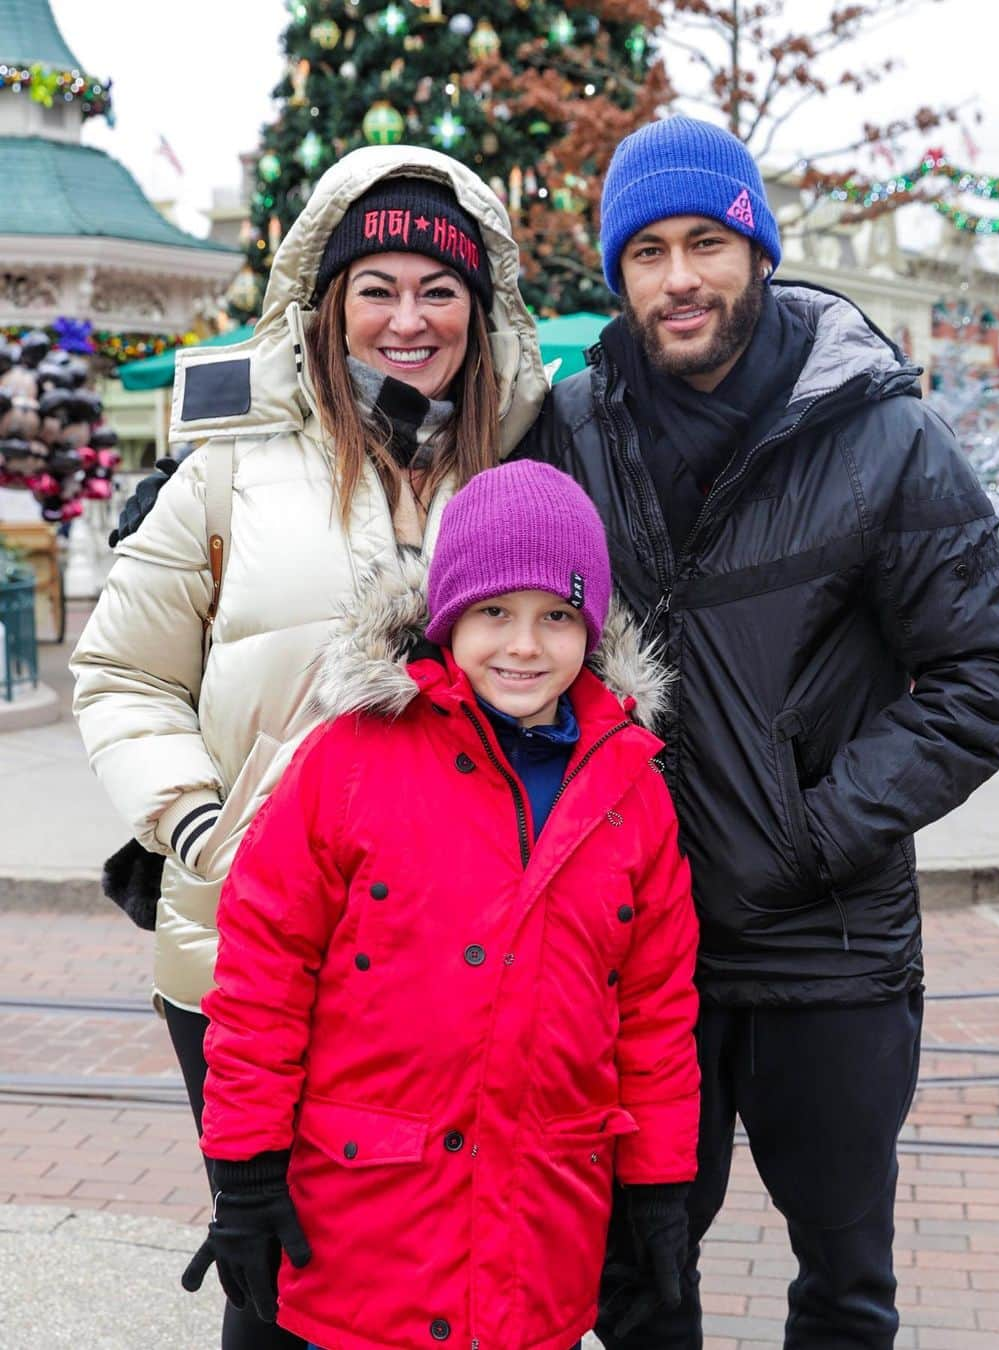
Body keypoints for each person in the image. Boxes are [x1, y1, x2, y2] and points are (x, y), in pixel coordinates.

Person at [517, 116, 999, 1349]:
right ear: (620, 276)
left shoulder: (881, 433)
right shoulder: (575, 432)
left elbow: (992, 666)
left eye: (707, 241)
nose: (680, 277)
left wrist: (813, 831)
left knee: (844, 1286)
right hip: (637, 955)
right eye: (647, 252)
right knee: (637, 1281)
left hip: (834, 951)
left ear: (758, 250)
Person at [70, 145, 549, 1350]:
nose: (407, 318)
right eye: (375, 285)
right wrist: (191, 819)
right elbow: (122, 670)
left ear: (476, 306)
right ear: (328, 302)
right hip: (240, 942)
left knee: (420, 1266)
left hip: (448, 956)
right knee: (272, 1272)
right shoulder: (229, 467)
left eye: (438, 289)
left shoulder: (522, 467)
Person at [178, 461, 701, 1350]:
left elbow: (655, 1008)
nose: (524, 648)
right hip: (367, 1220)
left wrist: (656, 1187)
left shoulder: (629, 786)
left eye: (557, 617)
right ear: (449, 616)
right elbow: (264, 972)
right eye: (495, 613)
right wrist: (246, 1165)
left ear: (592, 627)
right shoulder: (350, 759)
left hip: (539, 1222)